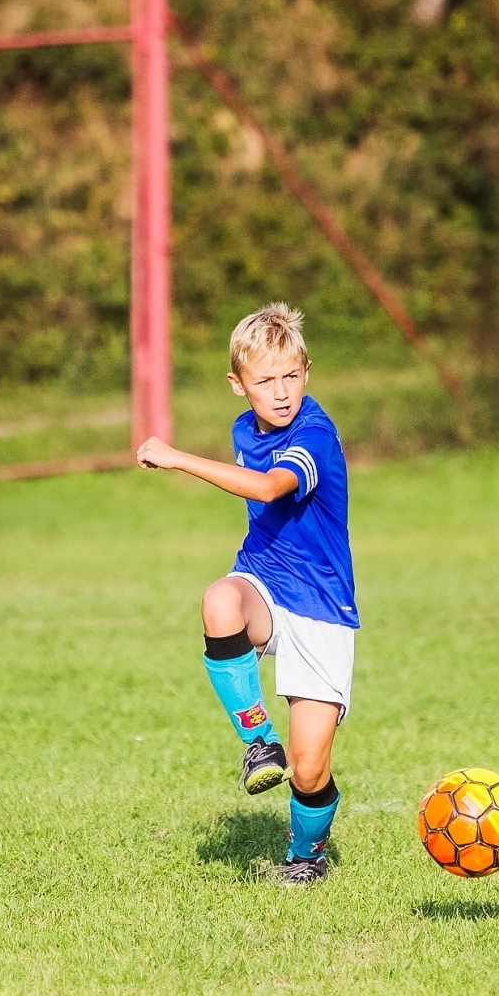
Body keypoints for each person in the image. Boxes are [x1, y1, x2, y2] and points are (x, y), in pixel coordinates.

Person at [136, 302, 357, 883]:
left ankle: (306, 858)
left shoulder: (314, 436)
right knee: (218, 600)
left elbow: (265, 488)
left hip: (321, 607)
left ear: (307, 372)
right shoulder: (245, 428)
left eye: (291, 376)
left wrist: (177, 457)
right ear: (239, 385)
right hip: (263, 581)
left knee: (310, 771)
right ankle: (259, 742)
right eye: (265, 380)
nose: (280, 392)